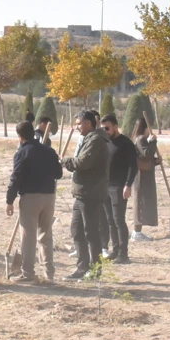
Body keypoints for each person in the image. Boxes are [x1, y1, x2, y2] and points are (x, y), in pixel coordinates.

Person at [6, 121, 63, 282]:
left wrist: (9, 200)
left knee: (28, 236)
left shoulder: (22, 152)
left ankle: (28, 273)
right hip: (49, 196)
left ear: (20, 136)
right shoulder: (49, 151)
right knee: (46, 235)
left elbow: (16, 177)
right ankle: (49, 273)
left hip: (30, 197)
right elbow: (58, 174)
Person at [62, 111, 111, 280]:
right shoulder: (89, 138)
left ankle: (95, 271)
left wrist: (65, 161)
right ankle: (82, 268)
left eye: (79, 124)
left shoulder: (96, 140)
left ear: (88, 123)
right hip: (81, 193)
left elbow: (83, 162)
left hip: (90, 192)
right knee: (76, 230)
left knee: (90, 232)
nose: (76, 127)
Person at [100, 114, 138, 264]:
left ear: (115, 126)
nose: (105, 131)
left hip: (119, 187)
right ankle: (115, 250)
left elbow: (133, 166)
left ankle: (124, 254)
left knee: (118, 220)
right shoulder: (105, 142)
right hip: (105, 187)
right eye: (103, 128)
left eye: (107, 128)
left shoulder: (126, 143)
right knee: (110, 220)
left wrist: (128, 185)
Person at [131, 117, 159, 242]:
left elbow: (146, 159)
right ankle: (137, 233)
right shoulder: (141, 139)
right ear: (145, 128)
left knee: (142, 202)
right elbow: (147, 154)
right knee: (140, 203)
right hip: (141, 177)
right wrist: (153, 142)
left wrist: (155, 161)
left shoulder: (139, 139)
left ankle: (138, 232)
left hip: (142, 175)